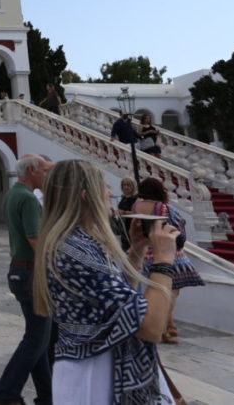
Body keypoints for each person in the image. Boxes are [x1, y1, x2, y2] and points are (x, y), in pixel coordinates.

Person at [33, 160, 180, 404]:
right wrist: (164, 258)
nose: (110, 193)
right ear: (85, 196)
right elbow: (151, 327)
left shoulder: (79, 242)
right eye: (104, 187)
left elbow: (117, 301)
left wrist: (137, 251)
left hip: (97, 366)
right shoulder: (75, 251)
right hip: (96, 376)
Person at [0, 154, 53, 405]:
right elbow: (35, 240)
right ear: (31, 170)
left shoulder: (12, 194)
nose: (46, 175)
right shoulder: (28, 199)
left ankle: (47, 396)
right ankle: (7, 394)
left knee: (40, 337)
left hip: (19, 271)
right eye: (44, 170)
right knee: (36, 338)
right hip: (32, 273)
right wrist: (57, 266)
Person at [133, 177, 204, 343]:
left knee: (155, 289)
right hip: (165, 249)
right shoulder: (163, 207)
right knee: (171, 292)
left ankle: (170, 325)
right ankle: (163, 327)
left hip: (146, 251)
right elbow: (178, 227)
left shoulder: (136, 206)